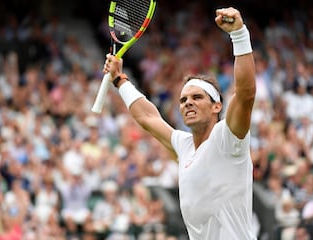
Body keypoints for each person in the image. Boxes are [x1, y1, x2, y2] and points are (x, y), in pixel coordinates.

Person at [102, 7, 256, 240]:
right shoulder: (183, 146)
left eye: (197, 97)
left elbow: (245, 93)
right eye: (183, 100)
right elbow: (147, 117)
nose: (188, 103)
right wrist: (119, 79)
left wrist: (239, 35)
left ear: (216, 106)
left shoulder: (228, 138)